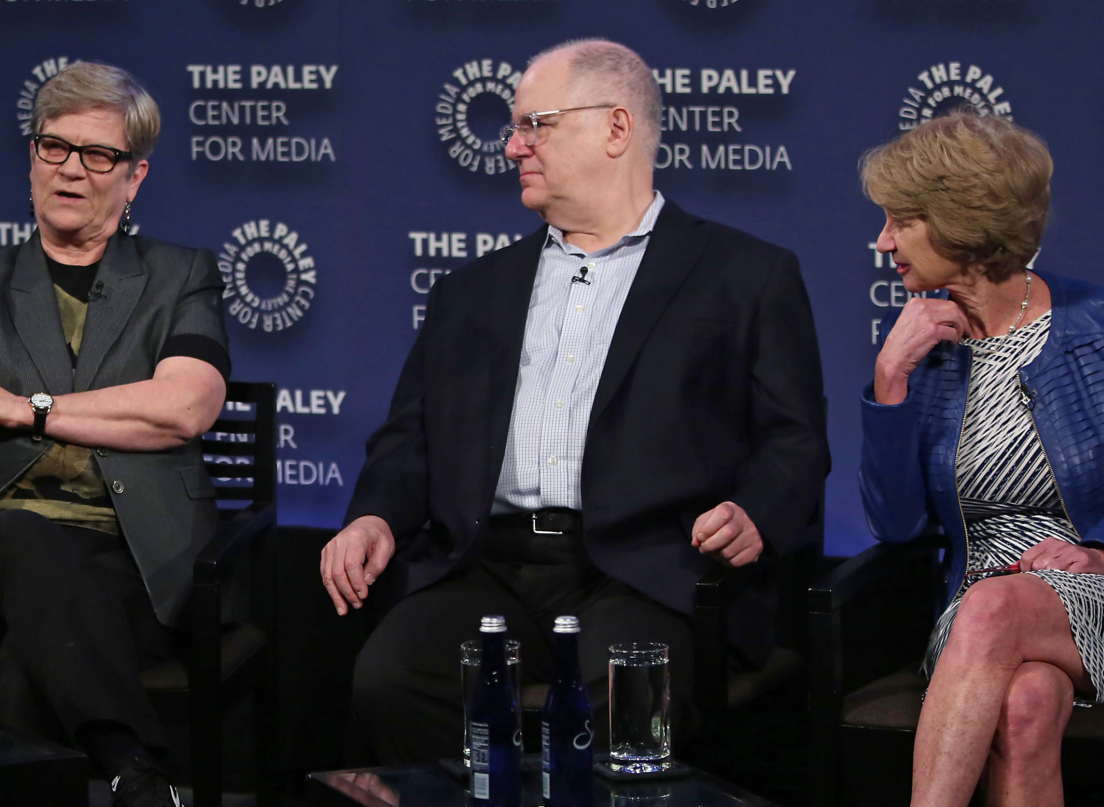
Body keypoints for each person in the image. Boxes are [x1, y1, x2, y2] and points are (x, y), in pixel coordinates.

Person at [319, 38, 830, 763]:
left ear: (616, 128)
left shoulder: (745, 277)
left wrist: (757, 513)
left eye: (536, 124)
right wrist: (373, 514)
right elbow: (410, 437)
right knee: (391, 678)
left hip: (647, 570)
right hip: (490, 565)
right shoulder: (473, 290)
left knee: (617, 705)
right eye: (516, 126)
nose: (512, 146)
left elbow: (795, 439)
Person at [859, 112, 1104, 807]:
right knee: (1023, 708)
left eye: (900, 222)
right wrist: (889, 380)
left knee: (996, 611)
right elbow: (898, 524)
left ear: (959, 220)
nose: (883, 243)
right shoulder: (919, 344)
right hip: (975, 609)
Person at [0, 61, 231, 807]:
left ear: (135, 176)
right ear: (31, 158)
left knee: (35, 655)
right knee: (29, 541)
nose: (71, 169)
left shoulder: (183, 275)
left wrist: (30, 410)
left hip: (133, 551)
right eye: (53, 147)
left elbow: (185, 406)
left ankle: (128, 774)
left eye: (98, 155)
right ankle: (143, 776)